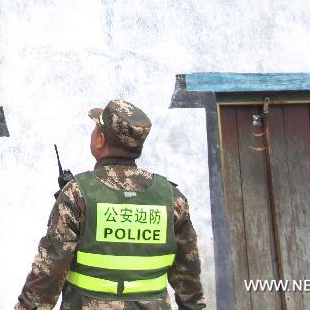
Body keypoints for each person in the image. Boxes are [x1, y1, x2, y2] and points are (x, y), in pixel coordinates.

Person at [15, 100, 207, 310]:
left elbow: (49, 270)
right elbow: (189, 276)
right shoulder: (171, 198)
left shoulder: (77, 194)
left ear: (100, 139)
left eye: (96, 127)